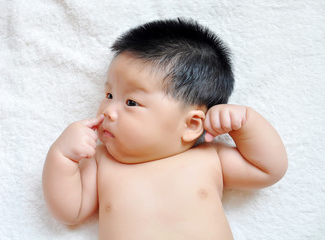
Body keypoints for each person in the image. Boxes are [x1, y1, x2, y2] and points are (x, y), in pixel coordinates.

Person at [42, 18, 288, 239]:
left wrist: (246, 123)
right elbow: (69, 211)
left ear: (192, 125)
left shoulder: (209, 157)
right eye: (108, 94)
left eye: (131, 102)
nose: (108, 111)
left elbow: (268, 170)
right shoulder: (101, 162)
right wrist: (62, 157)